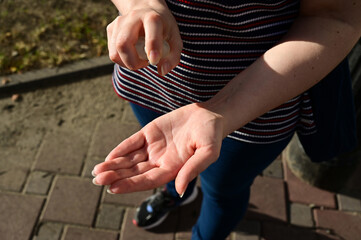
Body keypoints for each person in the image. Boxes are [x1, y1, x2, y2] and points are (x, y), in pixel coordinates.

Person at [92, 0, 361, 239]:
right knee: (166, 163)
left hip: (253, 110)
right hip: (151, 84)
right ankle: (173, 194)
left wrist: (222, 110)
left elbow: (335, 16)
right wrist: (139, 5)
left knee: (223, 192)